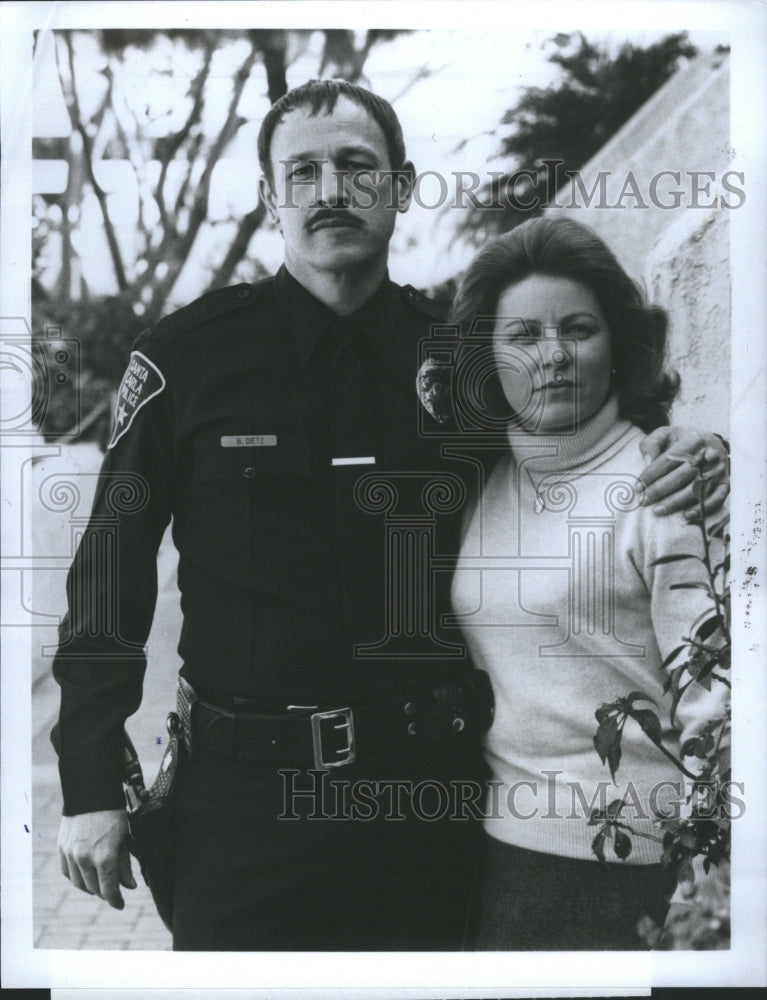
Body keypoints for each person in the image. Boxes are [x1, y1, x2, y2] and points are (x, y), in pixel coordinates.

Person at [52, 80, 728, 952]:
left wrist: (690, 447)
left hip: (431, 798)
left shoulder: (460, 360)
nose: (330, 189)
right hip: (246, 804)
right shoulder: (187, 360)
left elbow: (574, 438)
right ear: (270, 200)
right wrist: (89, 785)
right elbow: (108, 574)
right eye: (302, 171)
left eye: (356, 166)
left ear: (401, 189)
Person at [447, 216, 729, 950]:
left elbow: (717, 709)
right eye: (522, 337)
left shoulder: (666, 488)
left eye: (577, 329)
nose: (553, 357)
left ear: (619, 347)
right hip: (498, 861)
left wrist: (706, 891)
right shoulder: (482, 482)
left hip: (635, 872)